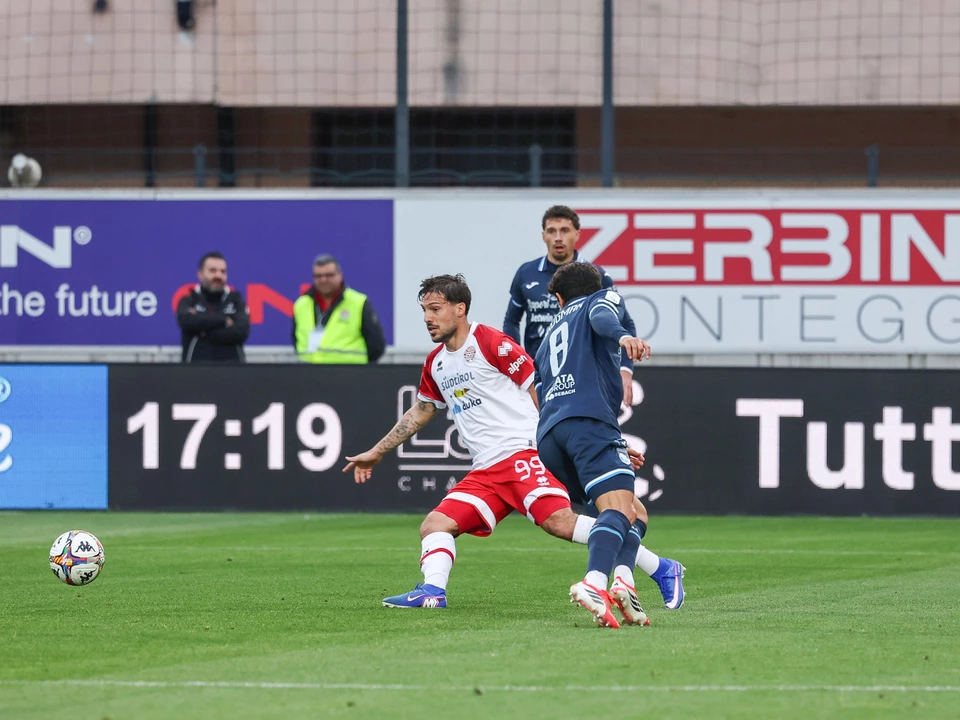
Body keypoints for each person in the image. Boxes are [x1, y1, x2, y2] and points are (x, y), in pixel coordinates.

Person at [343, 274, 682, 623]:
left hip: (523, 453)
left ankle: (658, 567)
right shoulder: (436, 363)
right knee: (435, 525)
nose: (428, 318)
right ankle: (432, 592)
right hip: (486, 470)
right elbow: (422, 410)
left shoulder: (492, 342)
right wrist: (378, 451)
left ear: (460, 309)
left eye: (435, 309)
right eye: (425, 311)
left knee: (560, 523)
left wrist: (596, 439)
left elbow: (541, 388)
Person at [534, 262, 685, 628]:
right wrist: (622, 336)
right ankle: (595, 582)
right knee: (619, 509)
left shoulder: (546, 337)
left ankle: (626, 581)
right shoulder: (600, 299)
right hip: (589, 423)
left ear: (558, 298)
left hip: (551, 436)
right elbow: (602, 316)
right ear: (598, 286)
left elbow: (539, 390)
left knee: (631, 511)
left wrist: (592, 441)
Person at [504, 204, 637, 405]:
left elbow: (624, 322)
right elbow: (511, 321)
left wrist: (625, 370)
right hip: (538, 372)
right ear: (543, 236)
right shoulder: (526, 273)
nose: (558, 237)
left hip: (583, 373)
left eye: (565, 230)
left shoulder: (596, 275)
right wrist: (517, 360)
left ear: (577, 235)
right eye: (552, 231)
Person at [292, 254, 386, 364]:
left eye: (329, 275)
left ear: (340, 275)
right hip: (308, 371)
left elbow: (376, 346)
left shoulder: (358, 303)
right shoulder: (301, 304)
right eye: (318, 276)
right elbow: (296, 340)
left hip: (348, 372)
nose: (323, 280)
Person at [176, 251, 249, 363]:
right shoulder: (189, 300)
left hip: (233, 370)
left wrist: (201, 330)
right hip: (194, 370)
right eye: (212, 271)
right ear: (200, 274)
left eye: (223, 271)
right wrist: (224, 320)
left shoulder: (236, 300)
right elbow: (186, 321)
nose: (218, 276)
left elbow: (241, 332)